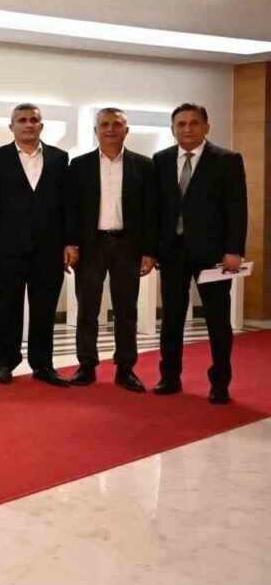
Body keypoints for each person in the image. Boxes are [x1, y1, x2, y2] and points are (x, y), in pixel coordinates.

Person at [152, 103, 247, 404]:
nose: (187, 129)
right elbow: (155, 209)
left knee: (217, 321)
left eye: (194, 123)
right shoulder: (161, 160)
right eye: (181, 124)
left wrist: (234, 250)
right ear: (172, 129)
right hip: (172, 253)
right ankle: (170, 376)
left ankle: (220, 383)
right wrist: (152, 249)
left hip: (214, 255)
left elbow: (237, 207)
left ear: (206, 127)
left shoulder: (227, 160)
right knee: (172, 318)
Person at [64, 108, 156, 392]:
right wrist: (70, 243)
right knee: (87, 308)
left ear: (126, 130)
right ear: (96, 131)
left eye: (117, 124)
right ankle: (87, 365)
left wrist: (149, 250)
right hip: (90, 246)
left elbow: (151, 212)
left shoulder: (144, 166)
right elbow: (70, 209)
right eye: (104, 124)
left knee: (126, 309)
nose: (110, 129)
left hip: (128, 246)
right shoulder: (79, 165)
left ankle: (125, 368)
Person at [0, 103, 71, 387]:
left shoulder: (59, 158)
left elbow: (68, 205)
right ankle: (5, 363)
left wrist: (70, 243)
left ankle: (43, 364)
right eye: (22, 120)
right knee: (8, 307)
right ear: (12, 126)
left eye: (34, 120)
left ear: (41, 126)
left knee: (45, 309)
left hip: (50, 248)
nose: (29, 124)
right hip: (8, 247)